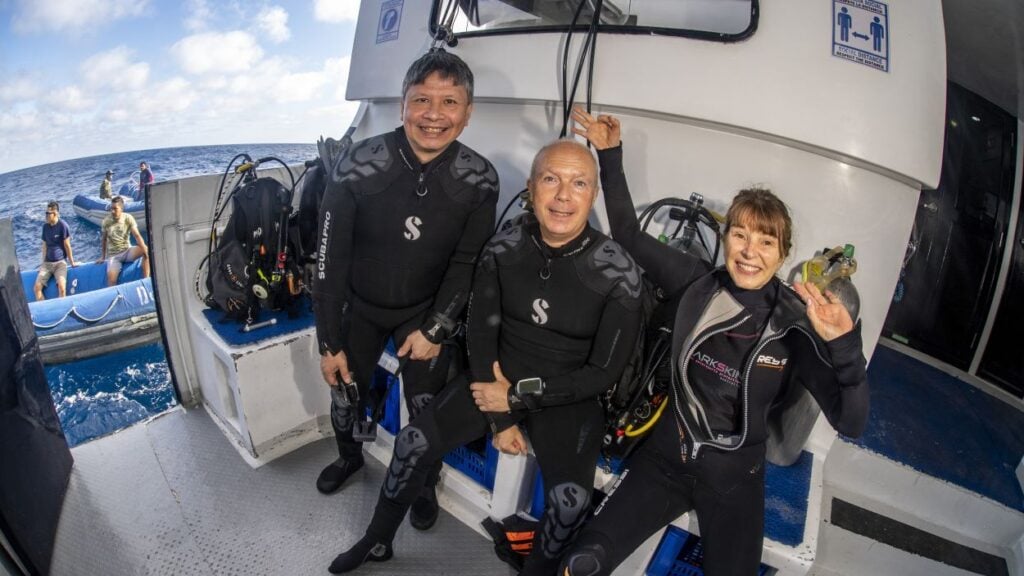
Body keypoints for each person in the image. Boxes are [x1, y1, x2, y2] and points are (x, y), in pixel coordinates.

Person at [559, 110, 870, 576]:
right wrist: (609, 154)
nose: (749, 251)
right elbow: (627, 234)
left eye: (766, 242)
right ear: (725, 239)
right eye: (740, 234)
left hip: (734, 482)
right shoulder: (698, 283)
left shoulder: (793, 325)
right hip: (664, 459)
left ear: (783, 255)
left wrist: (845, 347)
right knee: (582, 562)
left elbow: (852, 422)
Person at [325, 139, 644, 575]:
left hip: (566, 397)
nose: (563, 195)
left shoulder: (617, 273)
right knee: (412, 443)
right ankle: (377, 540)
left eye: (579, 183)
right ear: (531, 188)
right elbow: (480, 332)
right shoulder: (503, 248)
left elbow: (603, 373)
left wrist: (516, 399)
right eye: (551, 179)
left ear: (594, 194)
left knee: (569, 504)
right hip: (493, 381)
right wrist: (500, 417)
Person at [311, 49, 499, 531]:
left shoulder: (479, 179)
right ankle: (350, 457)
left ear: (467, 111)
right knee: (343, 394)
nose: (434, 115)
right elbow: (330, 262)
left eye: (449, 102)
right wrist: (329, 341)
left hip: (424, 310)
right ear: (402, 106)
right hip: (361, 306)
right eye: (422, 100)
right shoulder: (359, 164)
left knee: (425, 412)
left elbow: (466, 263)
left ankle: (422, 482)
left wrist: (437, 328)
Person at [97, 195, 150, 286]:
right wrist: (103, 257)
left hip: (127, 250)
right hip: (114, 256)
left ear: (121, 208)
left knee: (146, 250)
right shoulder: (106, 221)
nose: (112, 211)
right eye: (111, 209)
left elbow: (137, 236)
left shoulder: (128, 218)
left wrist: (144, 248)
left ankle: (146, 280)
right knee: (111, 279)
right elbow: (104, 239)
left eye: (115, 209)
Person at [34, 201, 76, 300]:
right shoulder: (45, 227)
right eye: (46, 213)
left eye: (48, 214)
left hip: (60, 263)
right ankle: (44, 310)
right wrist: (42, 264)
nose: (46, 216)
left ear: (55, 213)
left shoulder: (63, 226)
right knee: (37, 288)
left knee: (62, 287)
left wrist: (72, 263)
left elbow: (67, 245)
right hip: (47, 264)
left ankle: (63, 310)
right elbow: (44, 246)